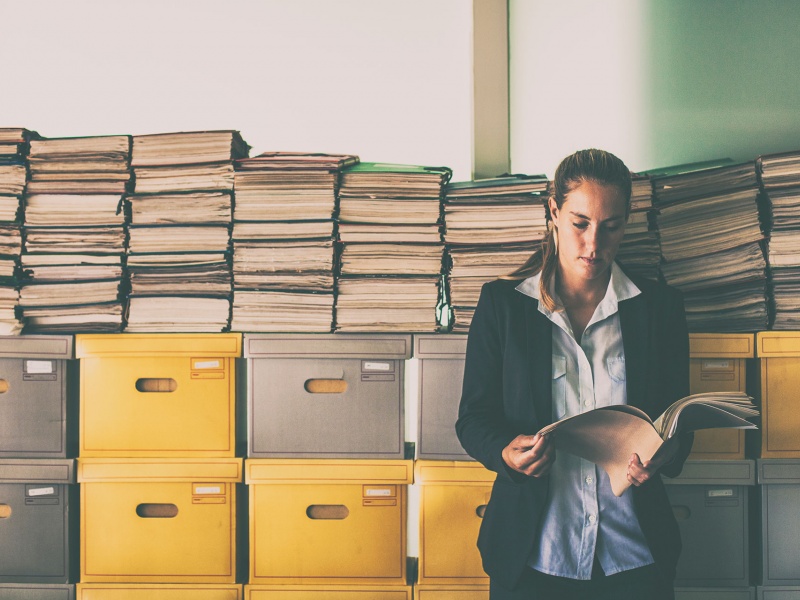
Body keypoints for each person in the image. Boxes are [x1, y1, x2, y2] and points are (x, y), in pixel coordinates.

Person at [456, 148, 692, 600]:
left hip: (635, 556)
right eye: (580, 223)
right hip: (533, 554)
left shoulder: (659, 308)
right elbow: (473, 419)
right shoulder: (503, 307)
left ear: (627, 221)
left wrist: (665, 453)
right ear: (554, 212)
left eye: (611, 226)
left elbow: (677, 425)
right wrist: (506, 455)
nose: (594, 244)